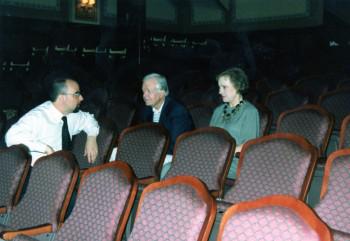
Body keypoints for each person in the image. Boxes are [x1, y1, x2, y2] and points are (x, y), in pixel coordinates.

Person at [5, 73, 99, 165]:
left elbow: (89, 119)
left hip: (62, 168)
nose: (82, 98)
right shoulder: (38, 117)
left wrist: (92, 137)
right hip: (38, 171)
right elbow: (11, 137)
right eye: (77, 94)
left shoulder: (70, 113)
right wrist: (44, 148)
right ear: (62, 98)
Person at [137, 73, 194, 177]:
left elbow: (175, 144)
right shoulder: (145, 110)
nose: (144, 95)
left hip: (174, 156)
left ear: (162, 92)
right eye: (143, 91)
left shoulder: (177, 111)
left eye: (148, 91)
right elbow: (141, 136)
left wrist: (151, 153)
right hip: (154, 152)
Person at [210, 67, 260, 179]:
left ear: (237, 86)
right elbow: (210, 137)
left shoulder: (250, 112)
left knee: (201, 167)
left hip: (235, 161)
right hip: (214, 158)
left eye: (224, 87)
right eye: (219, 87)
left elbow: (249, 145)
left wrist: (222, 153)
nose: (219, 91)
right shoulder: (218, 111)